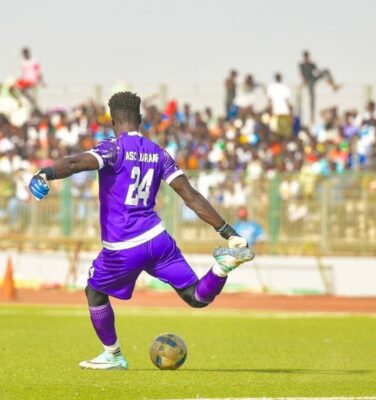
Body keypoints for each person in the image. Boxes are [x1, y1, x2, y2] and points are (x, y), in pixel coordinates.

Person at [28, 92, 254, 370]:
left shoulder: (112, 149)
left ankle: (113, 355)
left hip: (123, 245)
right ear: (141, 119)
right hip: (158, 239)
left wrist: (46, 173)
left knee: (95, 291)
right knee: (195, 296)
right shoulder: (158, 153)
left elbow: (75, 163)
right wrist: (228, 232)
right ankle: (222, 267)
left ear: (112, 121)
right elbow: (190, 195)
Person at [299, 50, 340, 123]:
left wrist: (325, 79)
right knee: (312, 98)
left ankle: (333, 85)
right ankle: (312, 115)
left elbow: (317, 71)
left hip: (313, 78)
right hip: (309, 81)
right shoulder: (301, 65)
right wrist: (303, 81)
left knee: (326, 71)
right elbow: (302, 74)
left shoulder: (312, 64)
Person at [267, 73, 292, 137]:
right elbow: (270, 100)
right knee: (275, 131)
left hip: (284, 112)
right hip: (275, 112)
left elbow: (287, 100)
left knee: (285, 131)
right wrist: (270, 110)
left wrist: (290, 111)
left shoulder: (284, 87)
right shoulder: (271, 87)